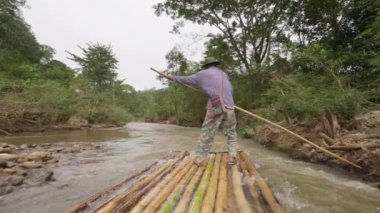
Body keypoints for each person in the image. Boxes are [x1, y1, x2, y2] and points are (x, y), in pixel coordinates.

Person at [166, 57, 238, 166]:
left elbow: (185, 79)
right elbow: (230, 90)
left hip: (216, 106)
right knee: (231, 133)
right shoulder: (224, 74)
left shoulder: (202, 74)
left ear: (206, 66)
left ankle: (201, 158)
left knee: (207, 132)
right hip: (230, 106)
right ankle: (232, 156)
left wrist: (170, 77)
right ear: (215, 65)